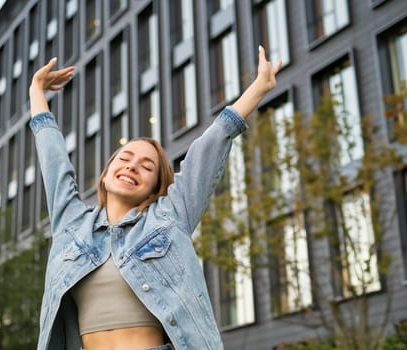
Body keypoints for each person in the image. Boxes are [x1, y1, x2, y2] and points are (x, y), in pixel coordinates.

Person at [29, 46, 281, 350]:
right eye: (125, 158)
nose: (133, 166)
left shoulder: (169, 216)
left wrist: (258, 87)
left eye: (147, 166)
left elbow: (209, 148)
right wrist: (37, 91)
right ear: (106, 174)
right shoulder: (71, 225)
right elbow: (53, 160)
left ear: (155, 187)